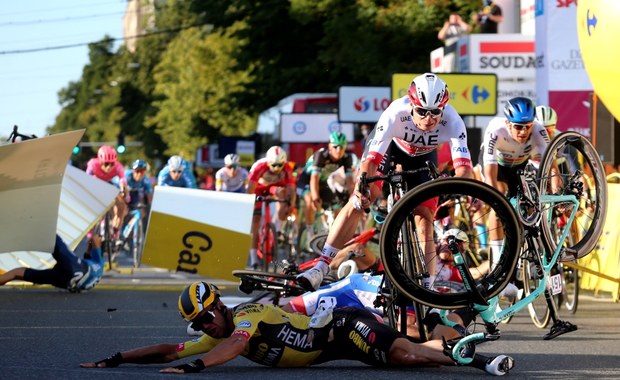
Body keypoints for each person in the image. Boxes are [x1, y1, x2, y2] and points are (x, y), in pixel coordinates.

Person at [80, 281, 514, 376]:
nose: (205, 325)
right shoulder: (215, 333)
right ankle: (458, 331)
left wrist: (197, 370)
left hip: (342, 328)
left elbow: (231, 347)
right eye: (199, 323)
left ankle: (483, 362)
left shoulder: (245, 317)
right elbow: (170, 349)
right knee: (413, 355)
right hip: (336, 350)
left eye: (206, 315)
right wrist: (115, 358)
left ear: (218, 305)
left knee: (406, 355)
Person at [298, 73, 474, 291]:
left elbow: (465, 170)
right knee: (360, 199)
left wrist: (455, 188)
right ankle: (322, 266)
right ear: (412, 104)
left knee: (424, 220)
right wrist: (362, 188)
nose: (428, 119)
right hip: (390, 149)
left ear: (443, 108)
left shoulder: (454, 121)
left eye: (435, 112)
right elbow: (371, 160)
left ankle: (429, 290)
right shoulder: (395, 113)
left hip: (423, 158)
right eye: (421, 111)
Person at [480, 97, 559, 267]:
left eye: (527, 127)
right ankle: (496, 259)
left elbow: (552, 167)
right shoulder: (496, 129)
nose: (523, 132)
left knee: (530, 202)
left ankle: (523, 249)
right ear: (508, 123)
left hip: (518, 165)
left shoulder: (538, 130)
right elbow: (490, 175)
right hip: (497, 166)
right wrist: (495, 200)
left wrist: (557, 196)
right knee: (499, 200)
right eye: (518, 127)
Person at [296, 132, 354, 241]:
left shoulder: (347, 158)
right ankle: (310, 233)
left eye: (342, 146)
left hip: (322, 184)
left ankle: (334, 237)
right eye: (335, 146)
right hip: (306, 182)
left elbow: (349, 181)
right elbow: (314, 179)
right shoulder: (321, 155)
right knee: (311, 201)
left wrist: (353, 196)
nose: (338, 149)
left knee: (337, 208)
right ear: (329, 146)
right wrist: (315, 197)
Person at [246, 146, 297, 269]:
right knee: (256, 222)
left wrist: (291, 205)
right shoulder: (259, 166)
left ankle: (276, 229)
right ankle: (253, 260)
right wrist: (251, 206)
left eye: (280, 165)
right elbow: (250, 189)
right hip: (258, 190)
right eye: (274, 165)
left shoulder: (287, 168)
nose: (277, 169)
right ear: (268, 162)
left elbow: (291, 190)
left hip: (275, 189)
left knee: (285, 195)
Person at [0, 234, 103, 292]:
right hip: (68, 282)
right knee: (18, 273)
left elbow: (95, 240)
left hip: (78, 270)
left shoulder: (100, 263)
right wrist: (90, 245)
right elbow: (89, 252)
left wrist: (98, 237)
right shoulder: (95, 271)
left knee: (53, 238)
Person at [86, 145, 128, 233]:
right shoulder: (93, 164)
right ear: (100, 161)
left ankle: (116, 228)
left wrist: (123, 190)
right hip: (96, 183)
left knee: (122, 204)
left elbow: (122, 180)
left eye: (112, 164)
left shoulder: (118, 166)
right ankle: (90, 230)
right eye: (106, 164)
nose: (109, 167)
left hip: (110, 184)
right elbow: (87, 179)